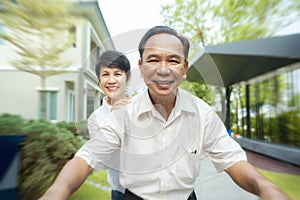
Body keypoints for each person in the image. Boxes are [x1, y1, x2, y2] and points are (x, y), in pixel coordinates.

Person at [40, 26, 290, 200]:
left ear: (184, 68)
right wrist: (57, 190)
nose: (163, 70)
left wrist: (265, 187)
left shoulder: (201, 113)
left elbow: (232, 160)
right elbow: (86, 158)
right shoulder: (123, 115)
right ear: (140, 67)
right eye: (153, 60)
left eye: (173, 60)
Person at [85, 50, 131, 199]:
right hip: (120, 192)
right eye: (105, 74)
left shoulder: (143, 108)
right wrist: (115, 118)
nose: (111, 80)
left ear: (128, 78)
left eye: (117, 74)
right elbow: (103, 162)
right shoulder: (95, 119)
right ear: (99, 81)